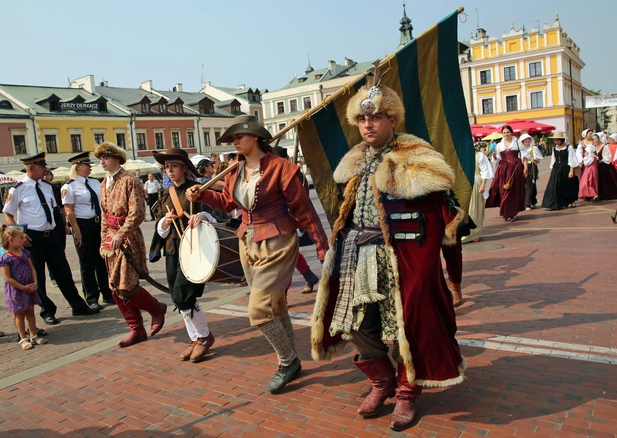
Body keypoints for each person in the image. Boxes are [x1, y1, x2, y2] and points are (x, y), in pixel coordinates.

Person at [310, 84, 466, 431]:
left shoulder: (416, 156)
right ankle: (381, 381)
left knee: (408, 326)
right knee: (354, 323)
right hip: (358, 253)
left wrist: (444, 273)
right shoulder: (354, 161)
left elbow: (443, 217)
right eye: (362, 119)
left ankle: (408, 392)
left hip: (404, 256)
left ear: (392, 120)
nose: (368, 124)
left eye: (376, 117)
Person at [186, 115, 328, 393]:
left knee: (259, 309)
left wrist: (322, 247)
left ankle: (287, 361)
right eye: (232, 139)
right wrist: (202, 196)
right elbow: (227, 203)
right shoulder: (235, 170)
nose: (234, 142)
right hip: (247, 242)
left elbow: (304, 210)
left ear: (255, 136)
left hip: (278, 241)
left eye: (239, 136)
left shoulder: (281, 168)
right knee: (276, 306)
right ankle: (293, 360)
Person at [3, 153, 99, 325]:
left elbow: (56, 210)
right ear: (31, 168)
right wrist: (19, 234)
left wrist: (61, 230)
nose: (45, 169)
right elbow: (8, 214)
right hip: (32, 238)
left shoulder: (47, 186)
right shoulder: (18, 189)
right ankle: (47, 311)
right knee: (38, 276)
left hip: (51, 236)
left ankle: (78, 306)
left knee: (63, 273)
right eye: (42, 167)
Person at [95, 142, 167, 347]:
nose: (102, 162)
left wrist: (121, 234)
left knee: (126, 286)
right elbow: (104, 216)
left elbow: (138, 213)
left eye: (106, 157)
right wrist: (104, 240)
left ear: (117, 159)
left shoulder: (129, 180)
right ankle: (136, 328)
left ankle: (156, 308)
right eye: (100, 159)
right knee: (114, 287)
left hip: (128, 239)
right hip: (111, 239)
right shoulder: (103, 183)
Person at [152, 148, 216, 362]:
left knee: (183, 296)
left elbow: (214, 216)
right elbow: (160, 229)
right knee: (177, 296)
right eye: (166, 167)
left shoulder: (197, 189)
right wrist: (165, 222)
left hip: (193, 249)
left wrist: (202, 216)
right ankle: (195, 338)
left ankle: (204, 337)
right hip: (172, 249)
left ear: (184, 168)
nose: (169, 170)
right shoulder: (165, 193)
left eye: (174, 166)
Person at [61, 152, 113, 310]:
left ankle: (107, 292)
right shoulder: (69, 186)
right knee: (87, 263)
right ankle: (91, 297)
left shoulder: (95, 182)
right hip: (83, 225)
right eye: (86, 164)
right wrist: (76, 230)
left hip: (99, 223)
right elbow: (68, 210)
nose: (90, 167)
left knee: (102, 260)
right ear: (78, 167)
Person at [272, 145, 320, 294]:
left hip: (291, 220)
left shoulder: (296, 175)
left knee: (285, 256)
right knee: (288, 254)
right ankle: (309, 276)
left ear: (285, 159)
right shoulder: (272, 175)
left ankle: (284, 293)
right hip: (276, 222)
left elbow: (301, 200)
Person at [0, 225, 46, 350]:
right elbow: (8, 278)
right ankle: (23, 338)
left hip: (29, 287)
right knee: (20, 314)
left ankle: (33, 335)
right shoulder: (6, 258)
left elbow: (32, 268)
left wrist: (35, 281)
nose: (24, 240)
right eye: (21, 238)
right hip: (16, 290)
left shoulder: (25, 253)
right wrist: (22, 287)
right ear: (11, 240)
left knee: (30, 311)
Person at [486, 125, 528, 221]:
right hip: (503, 169)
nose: (506, 134)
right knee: (503, 189)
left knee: (513, 190)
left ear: (511, 133)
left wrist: (525, 168)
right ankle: (506, 211)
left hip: (515, 168)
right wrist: (494, 156)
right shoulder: (499, 145)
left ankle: (512, 213)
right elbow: (497, 158)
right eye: (504, 133)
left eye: (508, 132)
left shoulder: (517, 142)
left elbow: (524, 155)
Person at [462, 142, 494, 243]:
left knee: (475, 208)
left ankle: (474, 233)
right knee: (465, 209)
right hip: (463, 183)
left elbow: (485, 171)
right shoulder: (461, 154)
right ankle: (465, 232)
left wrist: (483, 185)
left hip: (475, 182)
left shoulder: (479, 155)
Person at [541, 131, 579, 211]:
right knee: (554, 187)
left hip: (566, 169)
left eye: (557, 140)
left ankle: (569, 201)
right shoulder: (554, 148)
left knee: (567, 186)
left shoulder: (569, 147)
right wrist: (552, 170)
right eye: (555, 140)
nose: (556, 142)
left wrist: (571, 171)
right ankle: (554, 204)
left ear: (561, 140)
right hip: (556, 169)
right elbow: (553, 159)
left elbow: (571, 159)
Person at [519, 133, 543, 211]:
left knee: (530, 184)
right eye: (525, 139)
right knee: (525, 185)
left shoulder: (534, 148)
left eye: (528, 139)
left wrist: (536, 160)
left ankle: (527, 204)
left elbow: (538, 158)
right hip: (522, 167)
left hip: (532, 167)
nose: (527, 140)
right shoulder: (520, 150)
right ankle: (532, 200)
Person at [593, 133, 617, 200]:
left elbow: (607, 157)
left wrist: (599, 161)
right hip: (595, 166)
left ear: (599, 139)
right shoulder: (593, 146)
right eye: (593, 139)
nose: (594, 141)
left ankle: (606, 194)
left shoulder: (605, 146)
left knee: (605, 181)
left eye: (595, 139)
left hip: (604, 166)